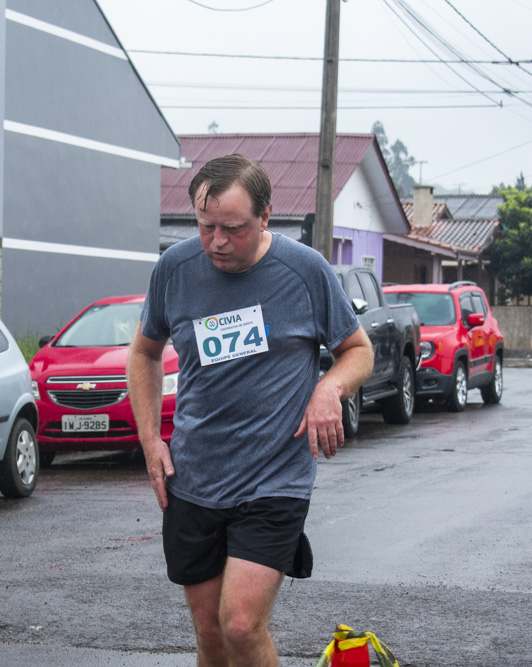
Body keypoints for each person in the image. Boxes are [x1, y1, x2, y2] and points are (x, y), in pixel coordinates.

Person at [126, 154, 374, 666]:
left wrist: (329, 388)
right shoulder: (174, 269)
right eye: (205, 226)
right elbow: (144, 352)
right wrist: (151, 439)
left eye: (232, 228)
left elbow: (359, 349)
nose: (217, 241)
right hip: (194, 478)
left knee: (240, 624)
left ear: (265, 217)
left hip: (274, 480)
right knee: (211, 636)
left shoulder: (304, 270)